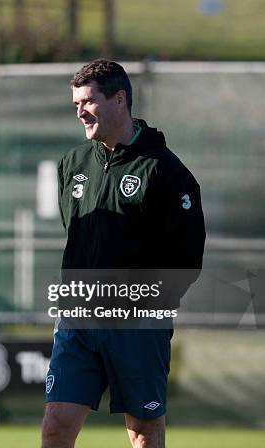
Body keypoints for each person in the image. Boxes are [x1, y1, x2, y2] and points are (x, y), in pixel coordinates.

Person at [42, 60, 205, 448]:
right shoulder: (73, 163)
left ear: (120, 99)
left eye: (89, 101)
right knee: (57, 423)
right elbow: (76, 233)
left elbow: (187, 255)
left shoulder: (164, 169)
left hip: (136, 321)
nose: (80, 111)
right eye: (76, 103)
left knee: (142, 429)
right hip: (78, 316)